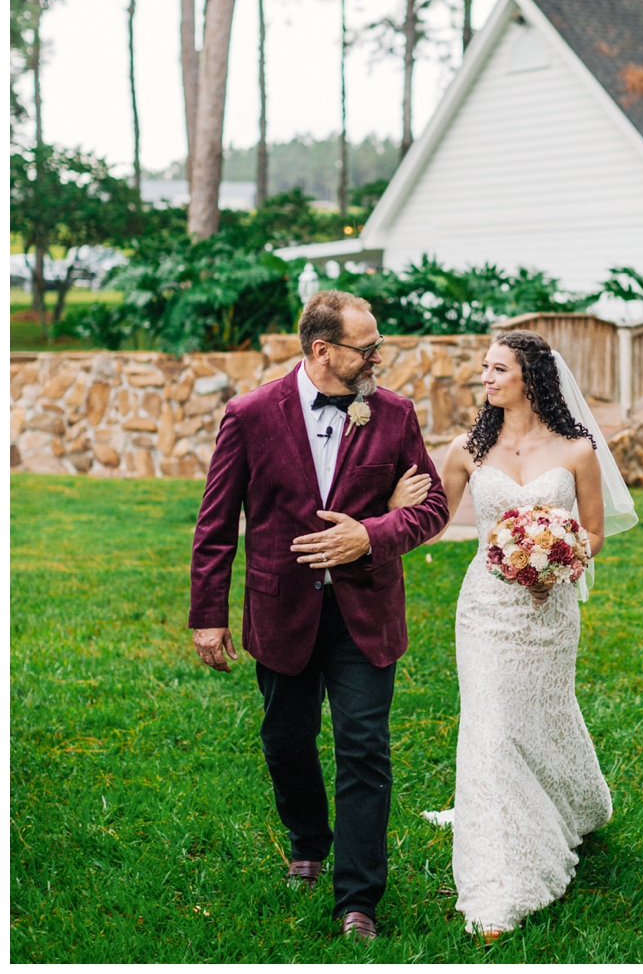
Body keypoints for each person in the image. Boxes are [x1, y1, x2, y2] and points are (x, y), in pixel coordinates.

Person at [189, 290, 449, 941]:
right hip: (281, 610)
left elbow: (433, 506)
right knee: (286, 738)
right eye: (366, 347)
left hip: (368, 611)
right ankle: (308, 839)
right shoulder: (249, 415)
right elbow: (217, 522)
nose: (377, 356)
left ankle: (357, 900)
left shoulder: (394, 413)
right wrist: (208, 613)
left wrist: (372, 533)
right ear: (322, 349)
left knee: (364, 749)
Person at [402, 330, 637, 940]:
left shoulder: (579, 450)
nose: (485, 377)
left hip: (551, 613)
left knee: (541, 711)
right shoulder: (466, 450)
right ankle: (502, 879)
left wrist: (556, 564)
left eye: (497, 368)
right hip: (485, 609)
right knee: (491, 725)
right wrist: (390, 506)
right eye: (484, 368)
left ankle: (573, 801)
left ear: (529, 378)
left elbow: (594, 532)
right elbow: (428, 521)